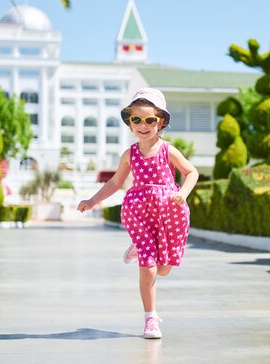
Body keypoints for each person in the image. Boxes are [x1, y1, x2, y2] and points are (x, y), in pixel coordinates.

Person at [77, 88, 199, 340]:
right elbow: (114, 183)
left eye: (150, 120)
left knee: (163, 269)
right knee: (149, 267)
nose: (143, 125)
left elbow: (191, 172)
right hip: (138, 213)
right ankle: (150, 318)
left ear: (161, 121)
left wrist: (183, 193)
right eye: (137, 120)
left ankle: (140, 248)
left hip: (169, 214)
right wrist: (92, 200)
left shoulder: (168, 150)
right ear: (129, 122)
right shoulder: (129, 155)